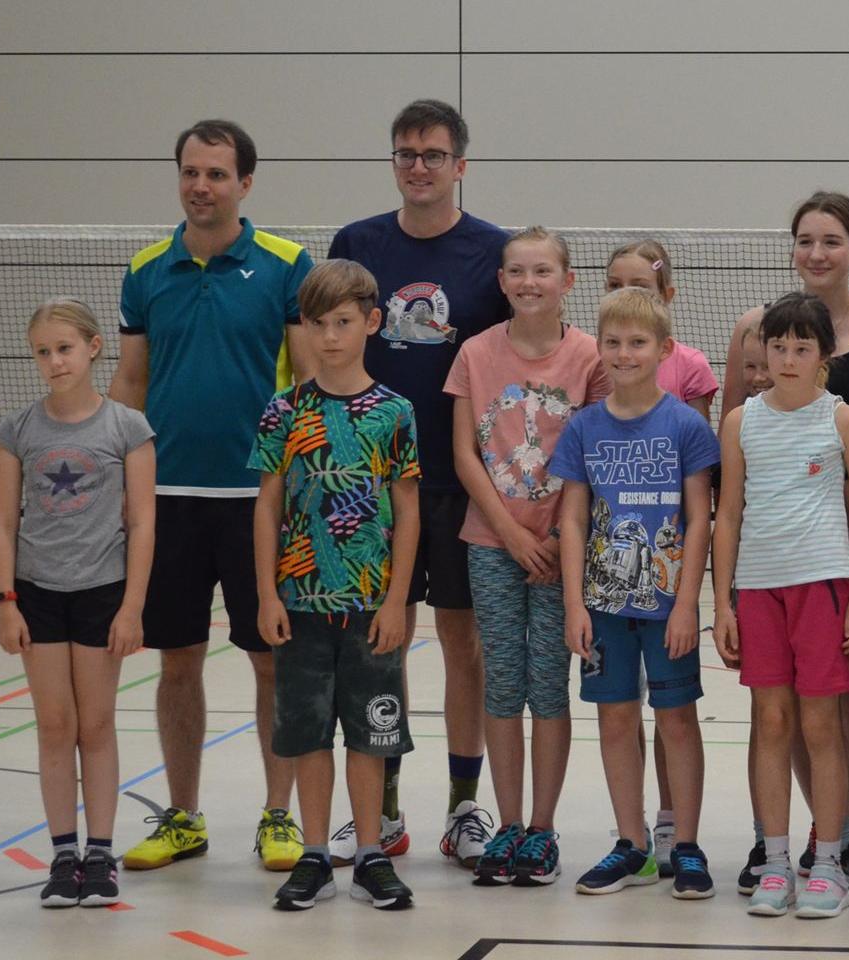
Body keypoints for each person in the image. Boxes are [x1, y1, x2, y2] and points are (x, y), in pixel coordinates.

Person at [110, 118, 313, 873]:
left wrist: (303, 483)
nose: (201, 186)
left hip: (260, 498)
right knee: (178, 663)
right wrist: (113, 475)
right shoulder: (145, 269)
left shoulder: (287, 264)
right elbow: (131, 380)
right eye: (191, 172)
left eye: (217, 174)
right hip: (166, 496)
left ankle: (278, 816)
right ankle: (183, 817)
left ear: (245, 183)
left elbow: (309, 377)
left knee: (272, 662)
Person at [329, 98, 512, 867]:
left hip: (464, 480)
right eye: (406, 153)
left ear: (460, 165)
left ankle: (464, 805)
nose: (418, 167)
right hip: (373, 487)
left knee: (463, 644)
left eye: (433, 154)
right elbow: (327, 346)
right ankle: (385, 808)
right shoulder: (357, 243)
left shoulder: (494, 252)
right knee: (383, 644)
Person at [721, 192, 849, 897]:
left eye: (832, 240)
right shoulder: (753, 340)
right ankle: (781, 843)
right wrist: (724, 594)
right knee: (775, 714)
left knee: (847, 705)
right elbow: (733, 485)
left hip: (838, 564)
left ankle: (848, 836)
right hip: (765, 570)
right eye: (806, 239)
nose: (817, 252)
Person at [250, 260, 422, 912]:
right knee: (308, 732)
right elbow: (267, 504)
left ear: (371, 323)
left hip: (372, 606)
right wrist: (267, 594)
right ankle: (316, 854)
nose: (329, 337)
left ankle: (371, 854)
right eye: (317, 323)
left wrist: (397, 599)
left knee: (371, 733)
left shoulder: (395, 412)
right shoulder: (284, 410)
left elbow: (407, 511)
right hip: (299, 602)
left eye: (343, 322)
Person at [446, 227, 610, 887]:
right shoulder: (475, 353)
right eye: (516, 271)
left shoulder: (591, 357)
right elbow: (465, 454)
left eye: (542, 271)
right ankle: (508, 822)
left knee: (548, 684)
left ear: (567, 282)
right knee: (502, 683)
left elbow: (596, 454)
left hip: (560, 550)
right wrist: (512, 535)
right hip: (493, 543)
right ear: (502, 281)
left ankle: (542, 829)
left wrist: (557, 538)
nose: (528, 282)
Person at [714, 292, 849, 919]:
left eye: (801, 348)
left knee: (821, 726)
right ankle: (775, 862)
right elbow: (728, 514)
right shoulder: (741, 421)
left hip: (822, 586)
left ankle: (830, 863)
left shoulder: (844, 420)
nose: (787, 358)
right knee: (771, 723)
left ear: (824, 356)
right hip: (759, 590)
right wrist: (722, 602)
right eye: (778, 346)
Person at [553, 287, 719, 899]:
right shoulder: (584, 427)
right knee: (615, 718)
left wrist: (687, 603)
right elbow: (573, 519)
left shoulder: (685, 425)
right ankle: (632, 844)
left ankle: (687, 844)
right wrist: (575, 603)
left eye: (638, 343)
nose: (624, 354)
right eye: (613, 342)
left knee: (677, 719)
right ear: (599, 348)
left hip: (667, 608)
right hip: (603, 607)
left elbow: (699, 519)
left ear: (664, 349)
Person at [0, 299, 156, 907]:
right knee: (55, 725)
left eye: (64, 348)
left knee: (97, 724)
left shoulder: (127, 428)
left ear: (93, 347)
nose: (55, 361)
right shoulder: (17, 430)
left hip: (101, 593)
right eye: (43, 352)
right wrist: (6, 602)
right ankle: (64, 854)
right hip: (37, 594)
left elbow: (142, 523)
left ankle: (100, 852)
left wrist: (131, 608)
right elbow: (3, 523)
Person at [605, 239, 720, 423]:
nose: (625, 294)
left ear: (666, 294)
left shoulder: (691, 364)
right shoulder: (597, 360)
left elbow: (699, 436)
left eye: (639, 286)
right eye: (615, 285)